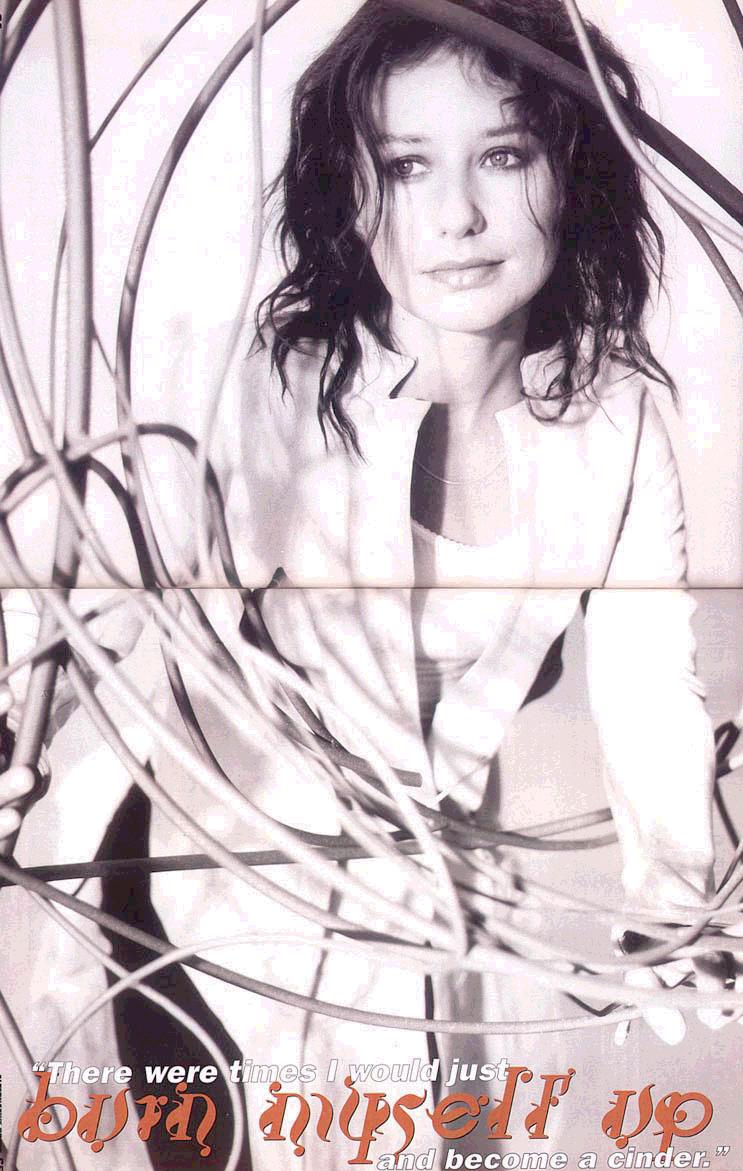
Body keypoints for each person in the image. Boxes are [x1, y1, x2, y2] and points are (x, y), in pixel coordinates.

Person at [0, 1, 732, 1167]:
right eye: (405, 166)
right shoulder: (269, 387)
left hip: (419, 914)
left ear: (568, 169)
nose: (457, 216)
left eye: (503, 154)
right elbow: (107, 590)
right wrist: (15, 728)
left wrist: (670, 907)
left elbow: (650, 682)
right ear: (351, 193)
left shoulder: (617, 422)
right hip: (204, 897)